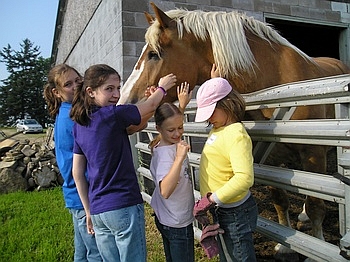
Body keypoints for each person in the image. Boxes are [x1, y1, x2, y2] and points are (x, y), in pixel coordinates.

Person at [70, 64, 177, 262]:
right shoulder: (112, 115)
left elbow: (77, 172)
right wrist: (162, 88)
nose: (116, 94)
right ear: (90, 92)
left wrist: (88, 211)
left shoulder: (81, 125)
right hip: (123, 205)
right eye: (109, 89)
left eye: (118, 88)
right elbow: (151, 106)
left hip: (99, 210)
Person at [194, 66, 258, 262]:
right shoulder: (219, 128)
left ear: (227, 104)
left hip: (235, 212)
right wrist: (217, 81)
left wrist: (213, 199)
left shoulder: (236, 134)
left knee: (238, 256)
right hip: (222, 208)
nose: (208, 117)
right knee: (229, 255)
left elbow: (244, 178)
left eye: (211, 111)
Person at [43, 64, 102, 262]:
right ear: (56, 92)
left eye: (78, 80)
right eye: (68, 84)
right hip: (83, 195)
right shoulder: (74, 117)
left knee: (83, 251)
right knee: (96, 253)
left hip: (74, 195)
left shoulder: (67, 112)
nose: (76, 86)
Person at [148, 83, 194, 262]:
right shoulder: (168, 155)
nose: (177, 134)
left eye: (181, 127)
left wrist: (181, 106)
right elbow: (165, 191)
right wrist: (179, 159)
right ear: (158, 129)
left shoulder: (162, 142)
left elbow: (171, 123)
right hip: (177, 224)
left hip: (167, 218)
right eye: (172, 130)